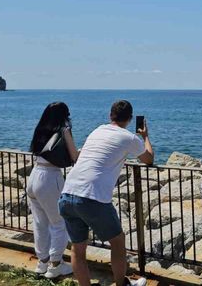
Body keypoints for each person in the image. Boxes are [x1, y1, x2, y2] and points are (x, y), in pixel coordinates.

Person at [59, 100, 154, 286]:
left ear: (111, 116)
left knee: (78, 249)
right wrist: (145, 137)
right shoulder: (129, 137)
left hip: (67, 193)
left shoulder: (97, 131)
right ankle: (121, 284)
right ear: (130, 118)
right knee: (118, 241)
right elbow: (148, 159)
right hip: (92, 197)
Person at [29, 102, 78, 279]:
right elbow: (74, 156)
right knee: (60, 222)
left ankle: (42, 263)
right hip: (50, 177)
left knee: (40, 223)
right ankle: (55, 265)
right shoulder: (64, 129)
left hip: (34, 175)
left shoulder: (41, 128)